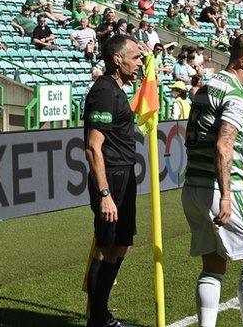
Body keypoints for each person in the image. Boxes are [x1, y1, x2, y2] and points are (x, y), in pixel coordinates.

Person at [182, 33, 243, 327]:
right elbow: (223, 145)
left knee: (213, 263)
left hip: (192, 187)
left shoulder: (207, 87)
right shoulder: (237, 94)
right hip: (219, 188)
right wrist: (226, 195)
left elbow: (208, 141)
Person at [83, 34, 142, 327]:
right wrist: (104, 193)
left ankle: (101, 313)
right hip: (112, 179)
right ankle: (97, 318)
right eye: (135, 58)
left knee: (122, 245)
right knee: (106, 248)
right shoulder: (104, 92)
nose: (140, 63)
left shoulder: (118, 90)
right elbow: (94, 146)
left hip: (124, 175)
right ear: (118, 60)